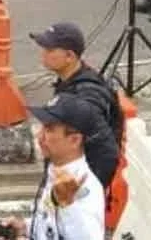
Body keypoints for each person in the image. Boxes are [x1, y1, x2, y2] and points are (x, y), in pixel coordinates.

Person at [0, 94, 106, 239]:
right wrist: (25, 228)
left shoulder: (85, 188)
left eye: (49, 129)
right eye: (42, 127)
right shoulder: (56, 171)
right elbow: (50, 224)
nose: (39, 136)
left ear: (74, 140)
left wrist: (69, 206)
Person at [29, 22, 120, 188]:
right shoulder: (69, 83)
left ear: (69, 56)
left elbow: (107, 154)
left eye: (49, 50)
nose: (43, 54)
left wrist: (82, 190)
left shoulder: (88, 96)